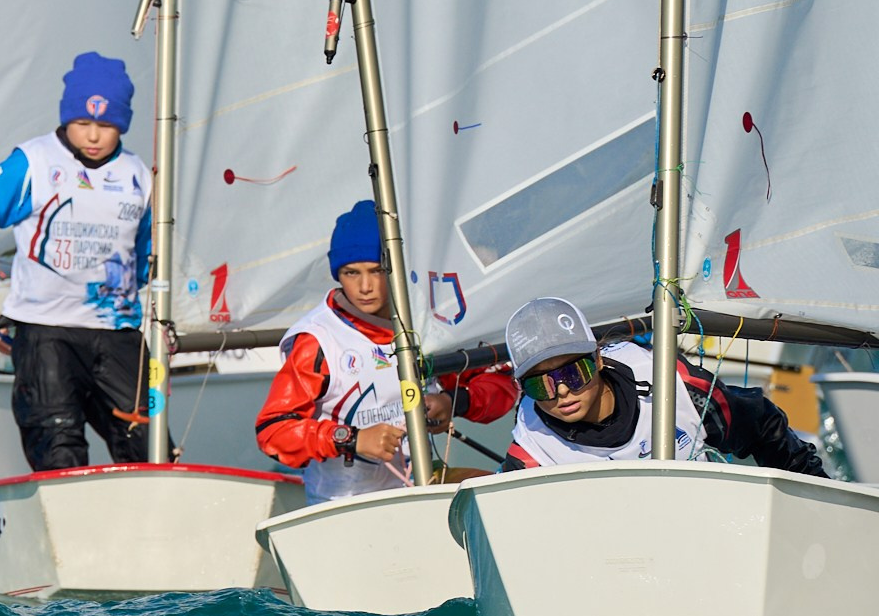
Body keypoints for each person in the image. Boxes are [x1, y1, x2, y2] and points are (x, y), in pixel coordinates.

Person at [0, 51, 157, 469]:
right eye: (83, 123)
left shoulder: (140, 176)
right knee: (58, 445)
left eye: (106, 125)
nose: (94, 136)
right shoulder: (33, 162)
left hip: (115, 334)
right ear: (66, 119)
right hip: (45, 333)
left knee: (148, 446)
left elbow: (145, 251)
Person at [256, 200, 520, 503]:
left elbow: (499, 383)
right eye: (351, 272)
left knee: (508, 496)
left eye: (377, 270)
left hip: (420, 484)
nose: (365, 286)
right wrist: (352, 440)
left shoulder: (424, 319)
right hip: (345, 502)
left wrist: (452, 402)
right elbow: (273, 431)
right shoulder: (317, 340)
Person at [501, 296, 827, 474]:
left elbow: (761, 423)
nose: (560, 392)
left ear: (598, 359)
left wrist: (815, 496)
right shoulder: (531, 450)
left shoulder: (673, 383)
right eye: (539, 385)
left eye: (573, 374)